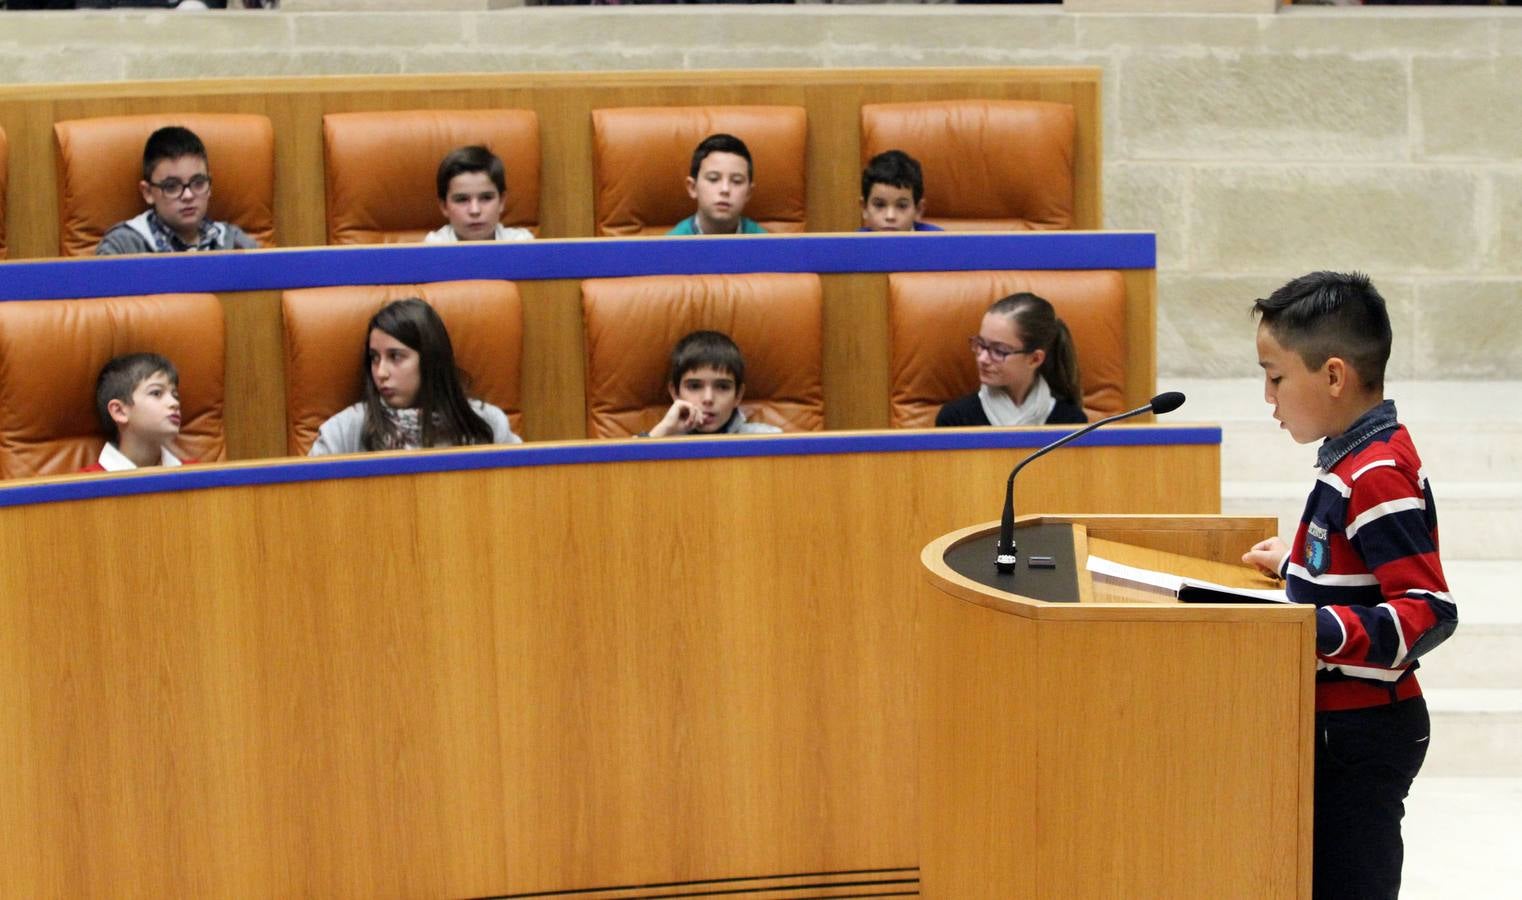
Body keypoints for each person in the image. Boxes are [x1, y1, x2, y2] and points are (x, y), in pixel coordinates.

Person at [1240, 271, 1457, 900]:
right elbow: (1355, 570)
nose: (1268, 396)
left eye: (1275, 377)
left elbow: (1426, 612)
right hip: (1340, 726)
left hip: (1363, 734)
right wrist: (1294, 566)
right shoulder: (1350, 459)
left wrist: (1309, 625)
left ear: (1333, 376)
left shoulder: (1377, 473)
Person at [310, 297, 521, 455]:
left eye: (395, 356)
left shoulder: (487, 425)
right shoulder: (343, 431)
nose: (381, 373)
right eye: (374, 358)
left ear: (430, 360)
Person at [95, 126, 259, 255]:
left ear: (210, 185)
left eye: (198, 183)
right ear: (148, 193)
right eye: (171, 186)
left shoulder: (234, 242)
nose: (188, 195)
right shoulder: (123, 246)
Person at [935, 292, 1087, 428]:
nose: (982, 358)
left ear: (1034, 359)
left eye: (999, 351)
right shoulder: (955, 420)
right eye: (981, 344)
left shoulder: (1071, 423)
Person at [644, 330, 782, 437]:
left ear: (738, 395)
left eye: (722, 387)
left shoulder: (767, 439)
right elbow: (628, 470)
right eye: (694, 386)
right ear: (675, 393)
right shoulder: (661, 439)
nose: (708, 399)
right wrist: (663, 430)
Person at [83, 352, 189, 472]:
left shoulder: (196, 473)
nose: (174, 403)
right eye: (156, 393)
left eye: (175, 395)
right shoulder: (85, 484)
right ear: (119, 411)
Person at [424, 145, 534, 244]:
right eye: (462, 199)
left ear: (501, 202)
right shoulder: (433, 247)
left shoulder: (522, 243)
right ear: (444, 207)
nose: (475, 211)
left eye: (486, 198)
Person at [667, 134, 768, 236]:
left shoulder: (764, 241)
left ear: (748, 193)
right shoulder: (672, 243)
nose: (725, 189)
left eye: (737, 181)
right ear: (693, 188)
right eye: (713, 179)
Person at [858, 149, 944, 233]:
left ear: (918, 210)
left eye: (902, 206)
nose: (890, 216)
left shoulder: (940, 241)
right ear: (864, 208)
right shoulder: (854, 244)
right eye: (879, 205)